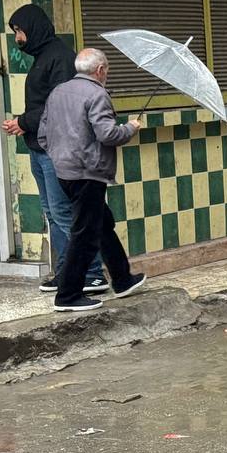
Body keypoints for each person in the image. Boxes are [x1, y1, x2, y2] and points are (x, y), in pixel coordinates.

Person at [4, 4, 106, 295]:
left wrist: (23, 122)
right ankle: (66, 273)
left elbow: (59, 105)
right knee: (53, 212)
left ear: (33, 27)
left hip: (57, 150)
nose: (18, 39)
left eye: (19, 31)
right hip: (40, 146)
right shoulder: (42, 57)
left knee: (66, 214)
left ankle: (93, 273)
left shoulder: (59, 58)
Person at [38, 49, 147, 312]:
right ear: (100, 70)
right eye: (106, 70)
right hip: (88, 172)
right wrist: (131, 127)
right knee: (85, 234)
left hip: (64, 171)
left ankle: (122, 278)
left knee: (101, 222)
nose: (106, 75)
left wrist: (59, 156)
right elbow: (108, 134)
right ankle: (68, 295)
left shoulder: (58, 91)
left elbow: (43, 134)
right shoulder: (97, 94)